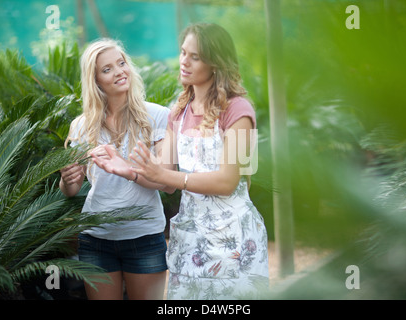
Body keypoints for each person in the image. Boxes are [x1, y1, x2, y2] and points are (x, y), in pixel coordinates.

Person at [93, 23, 269, 299]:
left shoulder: (237, 110)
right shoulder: (179, 111)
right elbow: (163, 178)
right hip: (190, 244)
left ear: (216, 63)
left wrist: (166, 176)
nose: (184, 62)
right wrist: (125, 168)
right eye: (183, 52)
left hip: (234, 242)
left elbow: (226, 181)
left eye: (195, 56)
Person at [59, 38, 173, 300]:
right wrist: (67, 180)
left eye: (122, 63)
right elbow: (72, 189)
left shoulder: (157, 116)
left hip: (144, 236)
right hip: (95, 238)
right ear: (96, 80)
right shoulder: (81, 126)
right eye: (107, 69)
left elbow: (168, 183)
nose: (119, 71)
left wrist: (129, 171)